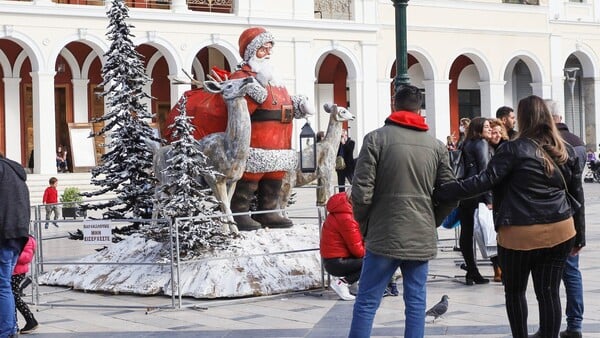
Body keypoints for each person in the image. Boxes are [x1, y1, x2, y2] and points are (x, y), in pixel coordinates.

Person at [434, 95, 585, 338]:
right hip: (561, 229)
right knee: (549, 292)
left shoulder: (513, 149)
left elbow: (483, 181)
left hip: (519, 232)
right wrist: (580, 236)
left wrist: (444, 190)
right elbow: (577, 194)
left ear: (522, 119)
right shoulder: (564, 149)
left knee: (515, 292)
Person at [348, 85, 455, 338]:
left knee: (367, 300)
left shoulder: (375, 139)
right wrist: (432, 220)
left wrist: (365, 225)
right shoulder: (437, 146)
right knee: (416, 302)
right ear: (420, 109)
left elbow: (361, 191)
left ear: (394, 105)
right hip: (420, 234)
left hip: (384, 232)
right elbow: (451, 194)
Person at [225, 26, 313, 231]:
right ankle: (239, 212)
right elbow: (240, 107)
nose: (267, 54)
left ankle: (269, 210)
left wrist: (299, 105)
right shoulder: (242, 76)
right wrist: (258, 83)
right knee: (251, 176)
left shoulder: (275, 76)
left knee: (275, 175)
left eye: (269, 49)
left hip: (281, 137)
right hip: (258, 137)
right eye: (263, 49)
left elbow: (283, 100)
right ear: (251, 51)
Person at [544, 99, 586, 338]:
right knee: (572, 273)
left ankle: (550, 324)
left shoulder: (549, 144)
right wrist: (580, 234)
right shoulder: (578, 142)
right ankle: (575, 324)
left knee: (548, 278)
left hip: (552, 217)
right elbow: (577, 189)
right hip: (571, 217)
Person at [456, 117, 493, 285]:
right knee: (483, 229)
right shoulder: (481, 144)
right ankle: (479, 270)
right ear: (479, 128)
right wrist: (488, 198)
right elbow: (485, 171)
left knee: (467, 232)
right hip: (477, 192)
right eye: (486, 126)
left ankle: (471, 269)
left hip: (464, 190)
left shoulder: (465, 142)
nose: (490, 129)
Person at [0, 152, 31, 337]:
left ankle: (5, 330)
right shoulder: (15, 171)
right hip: (17, 236)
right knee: (5, 285)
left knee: (2, 285)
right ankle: (9, 328)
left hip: (4, 235)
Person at [320, 190, 364, 301]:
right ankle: (343, 283)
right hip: (337, 262)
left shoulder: (341, 210)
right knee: (373, 261)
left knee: (370, 258)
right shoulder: (347, 218)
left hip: (333, 260)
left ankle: (352, 285)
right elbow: (357, 250)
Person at [12, 235, 38, 334]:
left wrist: (13, 254)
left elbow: (26, 257)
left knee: (14, 297)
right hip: (15, 271)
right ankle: (17, 323)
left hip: (16, 272)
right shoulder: (24, 238)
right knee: (13, 297)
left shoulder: (26, 239)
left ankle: (30, 320)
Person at [315, 131, 327, 206]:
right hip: (321, 166)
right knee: (322, 183)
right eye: (323, 136)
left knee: (321, 183)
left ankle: (320, 199)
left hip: (320, 166)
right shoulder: (320, 145)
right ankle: (321, 200)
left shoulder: (318, 145)